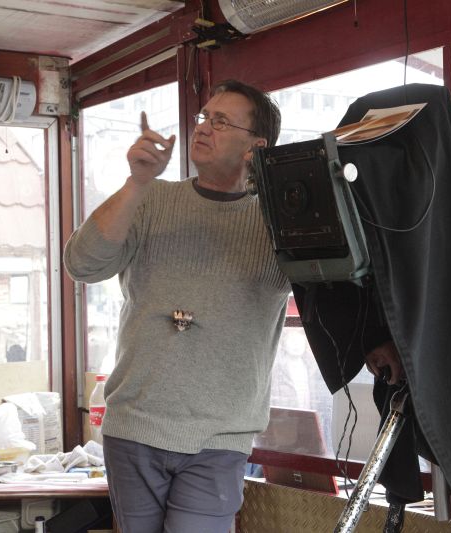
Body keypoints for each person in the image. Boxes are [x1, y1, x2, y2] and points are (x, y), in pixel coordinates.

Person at [63, 80, 290, 532]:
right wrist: (137, 182)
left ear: (256, 147)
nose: (202, 127)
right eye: (204, 116)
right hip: (134, 426)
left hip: (220, 435)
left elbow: (336, 286)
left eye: (221, 122)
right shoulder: (152, 199)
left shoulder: (278, 221)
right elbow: (81, 265)